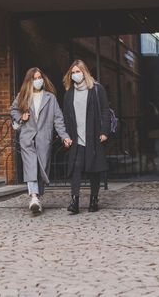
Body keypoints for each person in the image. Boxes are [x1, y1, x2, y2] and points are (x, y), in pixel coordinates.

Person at [10, 67, 71, 214]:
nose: (38, 80)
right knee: (31, 165)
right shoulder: (23, 95)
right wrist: (21, 117)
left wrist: (64, 136)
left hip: (44, 138)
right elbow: (13, 110)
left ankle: (37, 195)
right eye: (35, 78)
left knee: (41, 168)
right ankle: (34, 198)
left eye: (40, 78)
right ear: (29, 81)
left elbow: (58, 119)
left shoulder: (50, 98)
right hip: (27, 137)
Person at [62, 60, 110, 214]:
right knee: (76, 167)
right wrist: (66, 136)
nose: (76, 75)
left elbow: (105, 111)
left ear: (84, 72)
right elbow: (65, 115)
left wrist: (104, 131)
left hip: (93, 135)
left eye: (78, 71)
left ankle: (93, 199)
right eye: (73, 72)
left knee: (93, 169)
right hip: (76, 137)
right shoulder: (69, 93)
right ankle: (74, 201)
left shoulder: (96, 89)